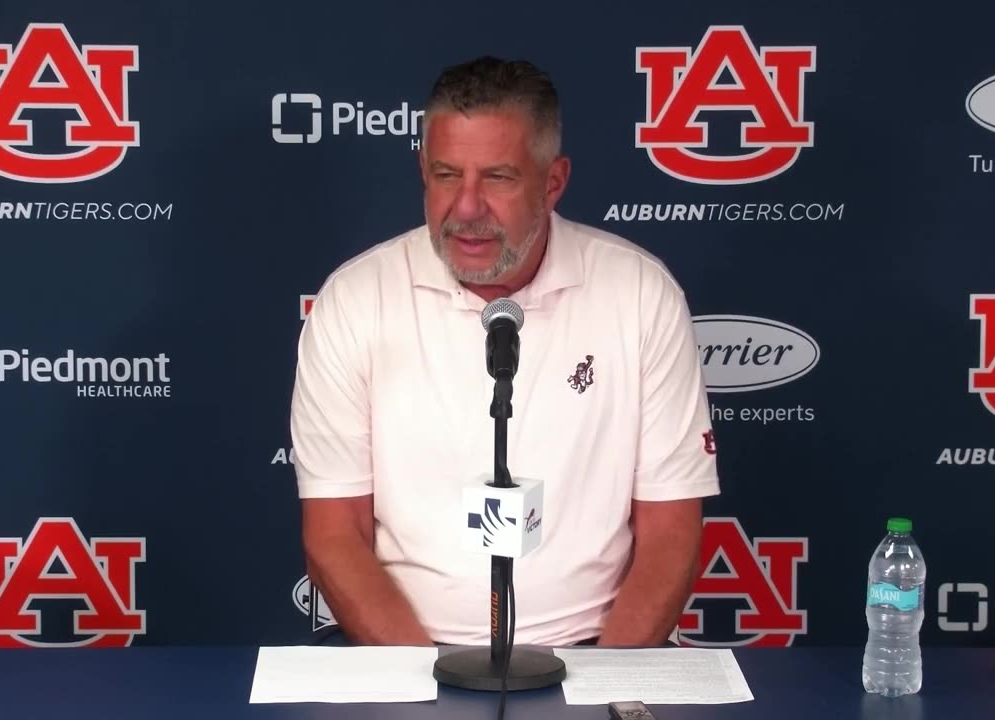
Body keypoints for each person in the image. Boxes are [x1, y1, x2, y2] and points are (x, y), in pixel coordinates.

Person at [290, 56, 719, 648]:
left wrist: (605, 687)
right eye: (445, 176)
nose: (466, 209)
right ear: (421, 169)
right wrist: (425, 685)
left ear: (553, 181)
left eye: (497, 178)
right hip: (405, 664)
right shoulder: (354, 300)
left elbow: (671, 529)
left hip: (591, 657)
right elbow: (335, 534)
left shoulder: (641, 294)